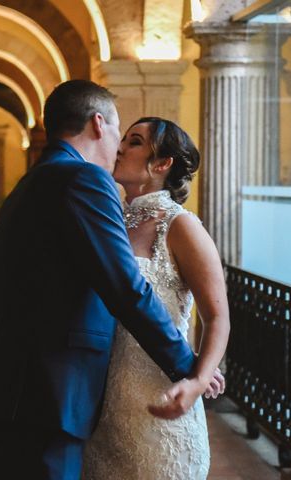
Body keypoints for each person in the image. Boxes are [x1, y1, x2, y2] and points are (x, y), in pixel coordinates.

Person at [0, 80, 225, 480]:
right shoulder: (85, 180)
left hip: (13, 393)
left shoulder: (26, 186)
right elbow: (125, 288)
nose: (119, 146)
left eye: (133, 141)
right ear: (98, 124)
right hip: (50, 398)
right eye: (121, 134)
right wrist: (188, 368)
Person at [82, 117, 230, 479]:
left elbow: (217, 316)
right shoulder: (111, 220)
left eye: (134, 142)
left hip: (159, 403)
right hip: (104, 406)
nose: (119, 148)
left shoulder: (181, 226)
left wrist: (198, 379)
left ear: (162, 164)